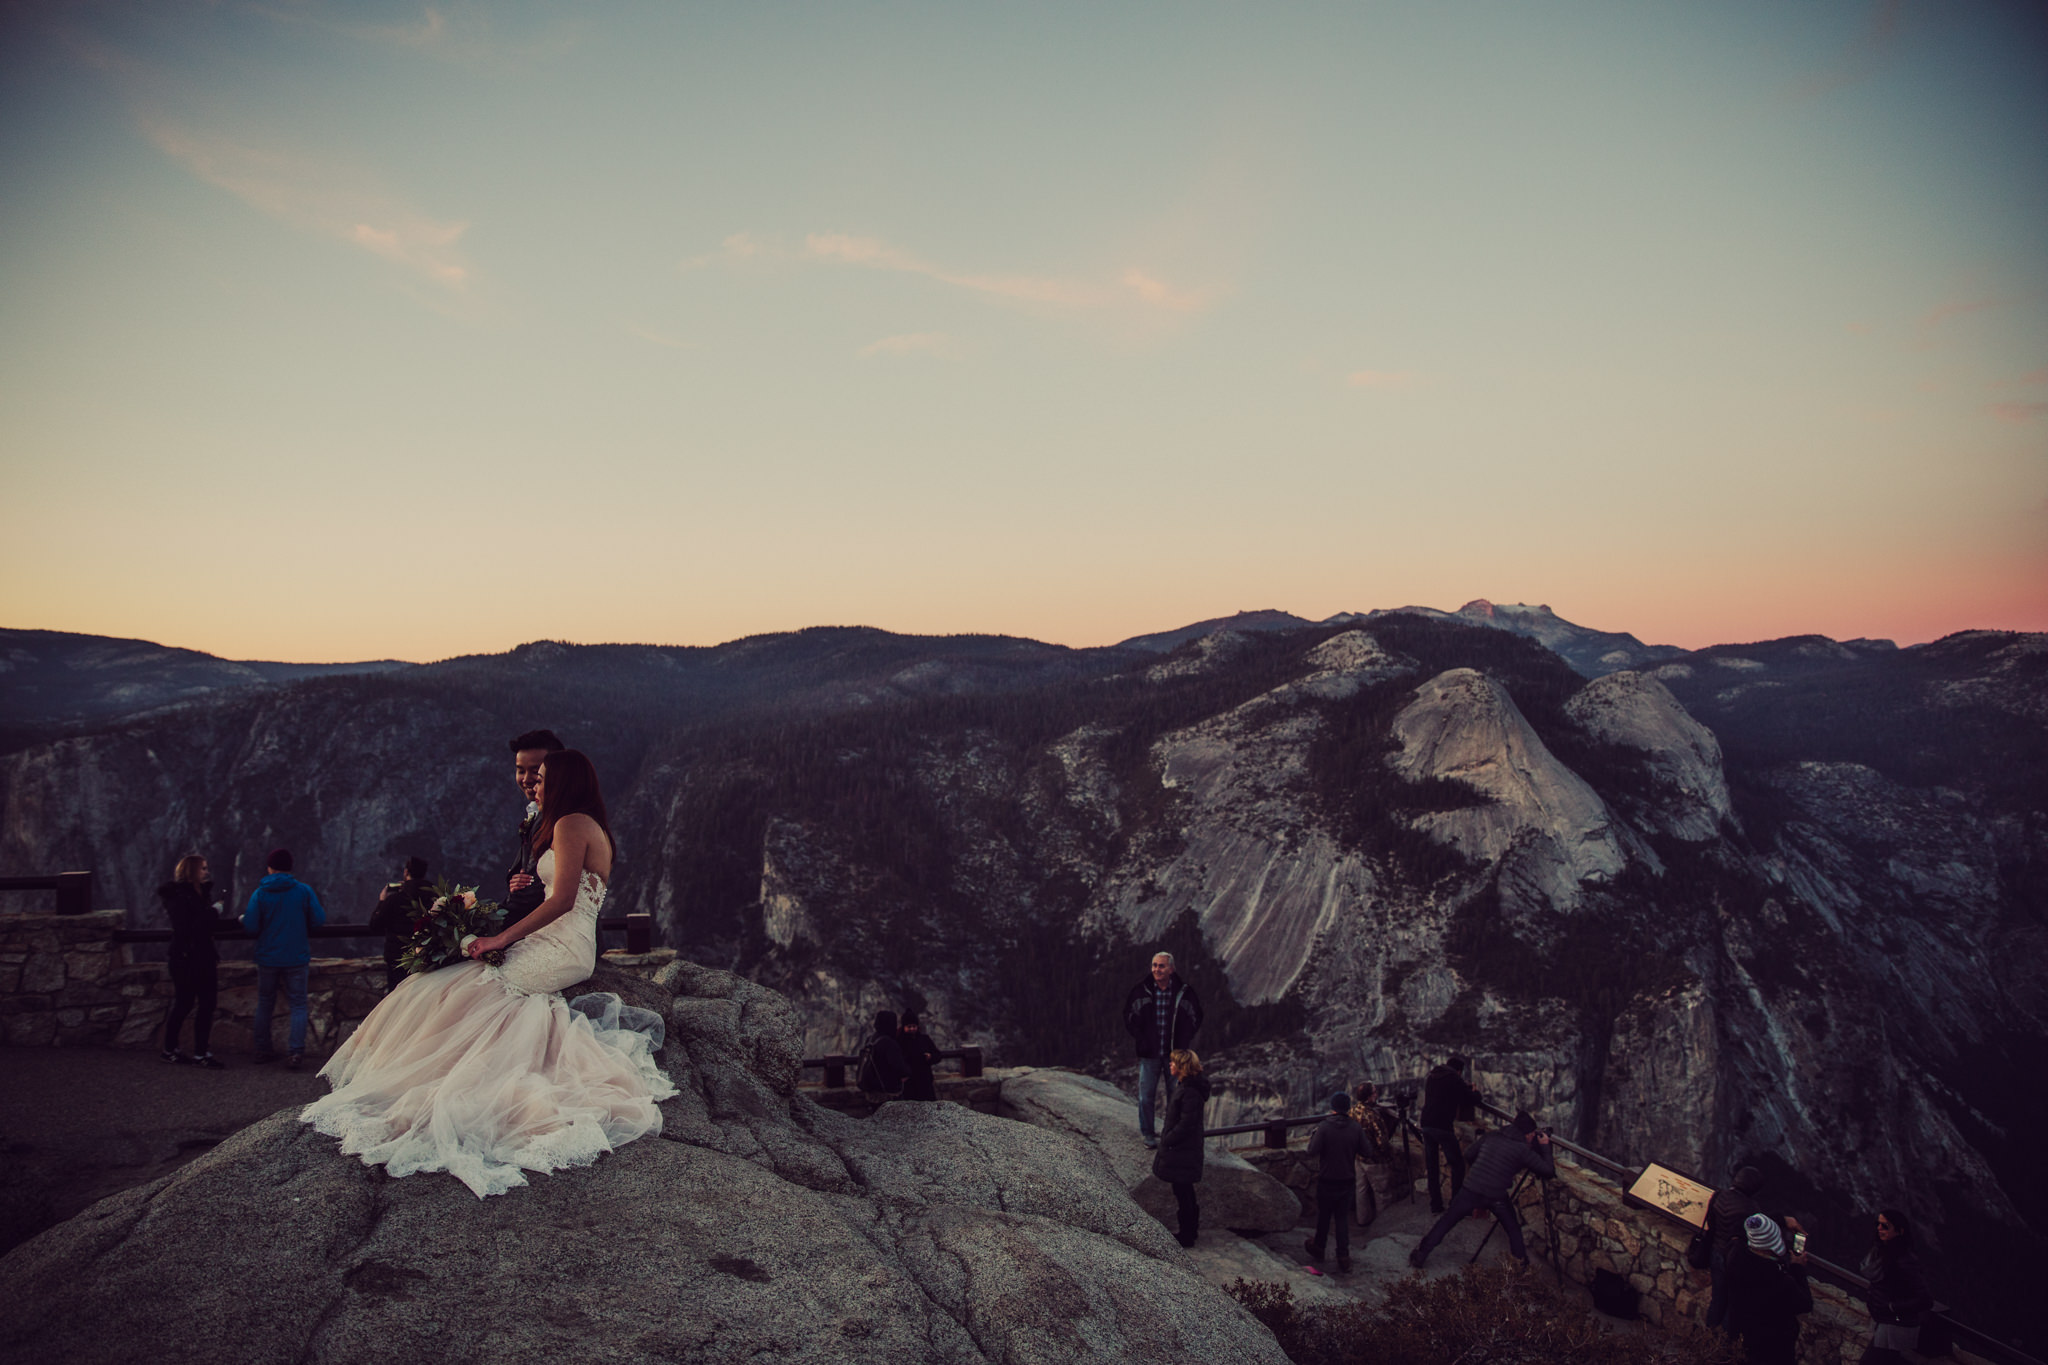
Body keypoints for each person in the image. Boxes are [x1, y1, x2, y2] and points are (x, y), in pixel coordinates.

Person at [300, 750, 676, 1198]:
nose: (534, 784)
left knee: (475, 989)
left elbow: (561, 901)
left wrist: (501, 940)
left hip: (565, 945)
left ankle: (440, 1079)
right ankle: (429, 1070)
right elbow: (553, 891)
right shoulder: (579, 822)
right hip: (555, 939)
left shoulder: (571, 823)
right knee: (447, 985)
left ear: (563, 782)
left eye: (542, 778)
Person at [1408, 1111, 1554, 1269]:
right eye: (1532, 1135)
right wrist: (1545, 1147)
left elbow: (1469, 1154)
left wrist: (1480, 1169)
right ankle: (1520, 1266)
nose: (1533, 1137)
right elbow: (1548, 1171)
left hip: (1470, 1189)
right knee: (1513, 1230)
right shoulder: (1522, 1150)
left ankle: (1421, 1254)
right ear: (1526, 1134)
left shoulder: (1492, 1136)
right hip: (1496, 1195)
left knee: (1447, 1221)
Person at [242, 848, 326, 1070]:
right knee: (298, 1005)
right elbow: (319, 919)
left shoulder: (260, 893)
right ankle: (296, 1053)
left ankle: (262, 1049)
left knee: (265, 1003)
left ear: (269, 868)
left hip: (268, 958)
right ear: (290, 868)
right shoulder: (303, 891)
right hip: (296, 957)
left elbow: (250, 926)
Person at [1123, 951, 1204, 1148]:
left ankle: (1171, 1135)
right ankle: (1148, 1134)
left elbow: (1197, 1016)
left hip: (1174, 1055)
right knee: (1146, 1096)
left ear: (1171, 969)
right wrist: (1140, 1039)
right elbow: (1129, 1016)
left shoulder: (1184, 992)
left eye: (1161, 966)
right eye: (1154, 965)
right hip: (1149, 1054)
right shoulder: (1141, 991)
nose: (1156, 970)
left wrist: (1185, 1038)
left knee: (1175, 1097)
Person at [156, 854, 228, 1069]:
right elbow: (188, 928)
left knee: (203, 1004)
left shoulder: (199, 895)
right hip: (187, 958)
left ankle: (198, 1051)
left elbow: (205, 925)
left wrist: (237, 922)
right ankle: (175, 1050)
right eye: (202, 868)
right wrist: (213, 912)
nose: (207, 872)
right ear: (191, 871)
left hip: (200, 957)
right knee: (185, 1003)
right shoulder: (178, 897)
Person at [1723, 1212, 1813, 1365]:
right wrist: (1798, 1268)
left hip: (1742, 1333)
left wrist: (1782, 1219)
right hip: (1773, 1346)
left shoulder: (1735, 1253)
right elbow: (1805, 1304)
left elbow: (1742, 1222)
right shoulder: (1778, 1280)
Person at [1303, 1092, 1371, 1272]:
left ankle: (1319, 1248)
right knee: (1342, 1219)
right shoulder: (1355, 1128)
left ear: (1333, 1108)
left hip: (1327, 1179)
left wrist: (1315, 1135)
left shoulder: (1324, 1128)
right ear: (1347, 1108)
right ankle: (1343, 1256)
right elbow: (1367, 1151)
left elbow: (1312, 1151)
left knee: (1324, 1216)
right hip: (1347, 1180)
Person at [505, 729, 565, 927]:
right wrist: (514, 881)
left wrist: (490, 927)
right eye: (521, 770)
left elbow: (533, 891)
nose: (526, 779)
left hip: (552, 931)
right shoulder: (538, 814)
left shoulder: (561, 819)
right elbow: (524, 876)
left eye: (535, 770)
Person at [1151, 1048, 1210, 1248]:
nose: (1170, 1065)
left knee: (1183, 1192)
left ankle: (1187, 1234)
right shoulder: (1187, 1087)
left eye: (1173, 1062)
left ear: (1182, 1067)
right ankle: (1189, 1230)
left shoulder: (1190, 1092)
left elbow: (1186, 1123)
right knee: (1184, 1191)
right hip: (1184, 1150)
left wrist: (1168, 1139)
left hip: (1183, 1150)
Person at [1858, 1208, 1933, 1364]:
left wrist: (1892, 1307)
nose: (1879, 1229)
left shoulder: (1904, 1260)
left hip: (1895, 1325)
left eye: (1885, 1226)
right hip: (1885, 1321)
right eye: (1878, 1224)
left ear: (1899, 1231)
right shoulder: (1881, 1252)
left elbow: (1925, 1300)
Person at [1707, 1165, 1769, 1331]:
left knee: (1717, 1299)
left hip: (1716, 1252)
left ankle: (1705, 1341)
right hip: (1736, 1259)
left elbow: (1711, 1223)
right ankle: (1725, 1347)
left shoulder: (1719, 1195)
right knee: (1732, 1304)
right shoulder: (1751, 1209)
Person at [1419, 1054, 1481, 1213]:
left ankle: (1436, 1205)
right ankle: (1456, 1204)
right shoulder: (1454, 1079)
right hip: (1442, 1126)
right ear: (1459, 1071)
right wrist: (1475, 1091)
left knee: (1432, 1167)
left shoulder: (1433, 1076)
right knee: (1457, 1164)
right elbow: (1472, 1099)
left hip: (1426, 1124)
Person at [367, 856, 434, 995]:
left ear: (406, 872)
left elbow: (375, 925)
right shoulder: (433, 899)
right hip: (425, 957)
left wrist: (381, 901)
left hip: (397, 959)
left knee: (397, 998)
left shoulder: (394, 900)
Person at [859, 1010, 911, 1105]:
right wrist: (907, 1072)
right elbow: (899, 1066)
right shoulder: (889, 1043)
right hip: (887, 1091)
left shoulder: (871, 1039)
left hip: (871, 1089)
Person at [898, 1009, 942, 1102]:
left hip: (925, 1082)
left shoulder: (924, 1039)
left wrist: (930, 1057)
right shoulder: (899, 1042)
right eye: (909, 1026)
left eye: (914, 1026)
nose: (912, 1029)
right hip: (909, 1084)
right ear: (904, 1027)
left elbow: (938, 1055)